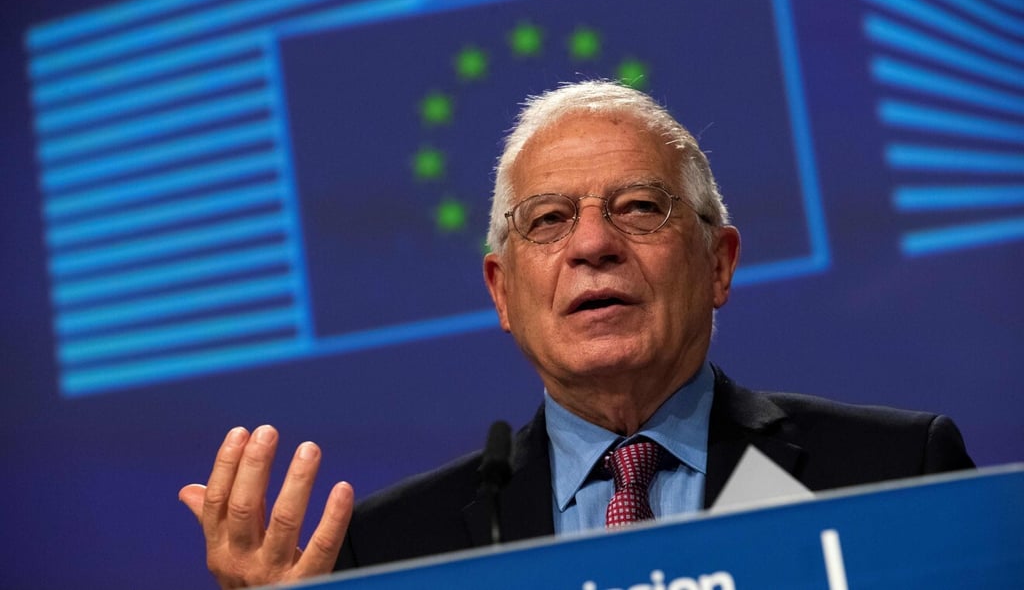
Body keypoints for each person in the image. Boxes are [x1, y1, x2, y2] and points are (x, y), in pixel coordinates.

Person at [179, 80, 973, 588]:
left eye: (638, 207)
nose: (593, 244)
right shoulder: (387, 554)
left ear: (719, 263)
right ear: (502, 290)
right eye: (550, 220)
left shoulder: (897, 473)